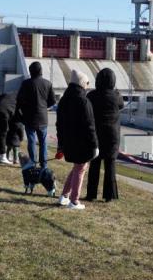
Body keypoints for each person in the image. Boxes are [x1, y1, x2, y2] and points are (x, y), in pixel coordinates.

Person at [56, 70, 98, 210]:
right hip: (82, 143)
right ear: (81, 84)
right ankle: (74, 201)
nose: (87, 86)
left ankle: (64, 196)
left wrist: (61, 144)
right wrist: (95, 145)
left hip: (68, 141)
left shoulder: (63, 100)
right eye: (86, 83)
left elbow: (59, 124)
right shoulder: (84, 101)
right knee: (80, 169)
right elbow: (90, 125)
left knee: (76, 168)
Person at [86, 68, 124, 202]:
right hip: (112, 136)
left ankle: (91, 194)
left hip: (96, 134)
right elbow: (121, 105)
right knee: (110, 165)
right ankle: (110, 195)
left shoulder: (91, 96)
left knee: (94, 165)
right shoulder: (117, 96)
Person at [16, 62, 56, 169]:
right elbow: (52, 101)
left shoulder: (26, 84)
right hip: (43, 117)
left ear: (31, 71)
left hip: (29, 117)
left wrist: (23, 110)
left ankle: (33, 162)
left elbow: (19, 100)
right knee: (43, 142)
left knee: (32, 140)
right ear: (41, 71)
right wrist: (43, 106)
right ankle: (44, 164)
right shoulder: (48, 83)